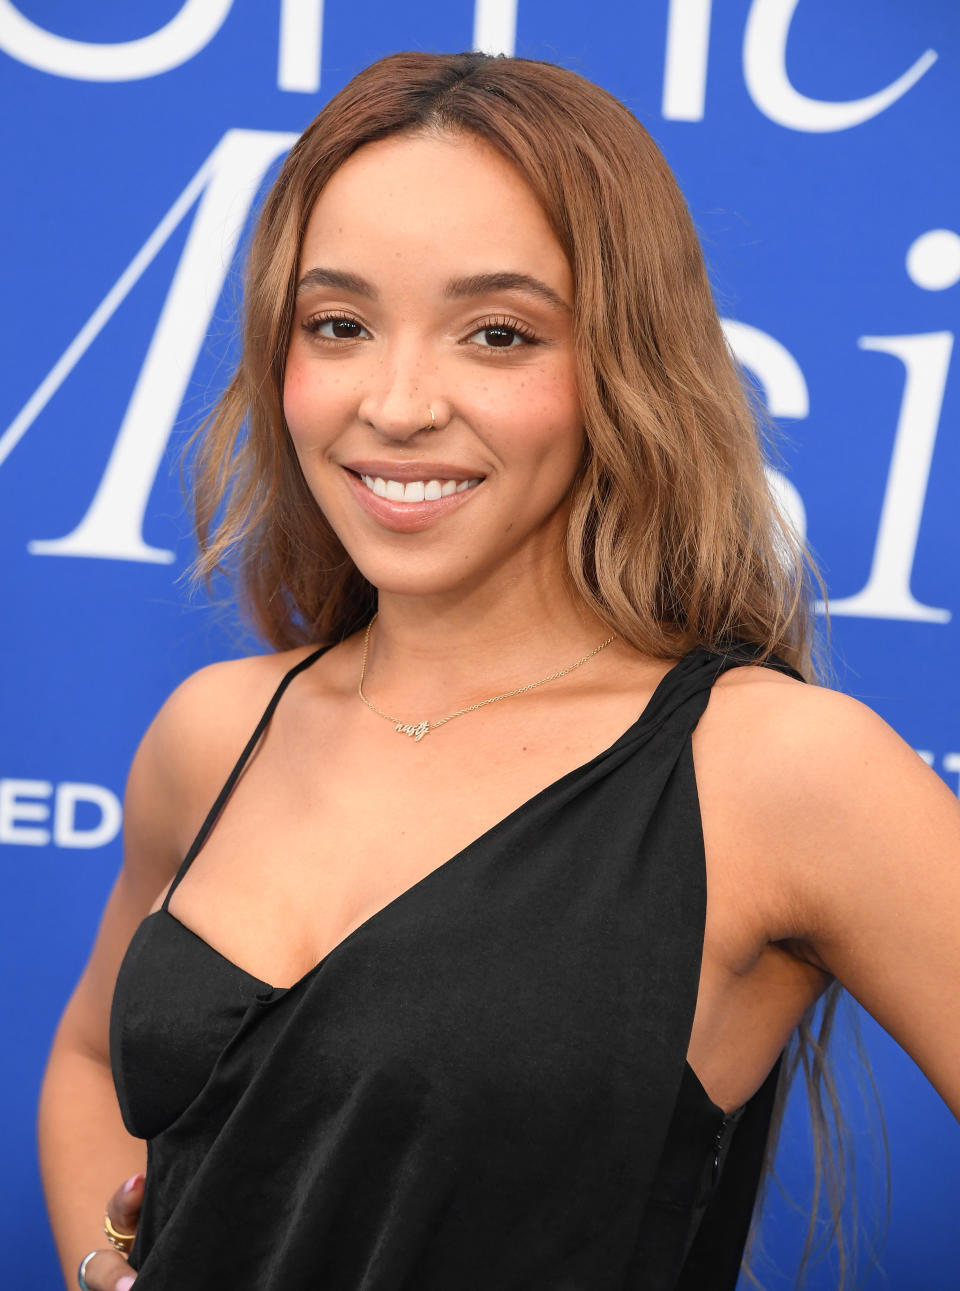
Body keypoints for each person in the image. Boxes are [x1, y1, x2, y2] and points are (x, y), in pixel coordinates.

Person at [38, 49, 959, 1291]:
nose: (400, 402)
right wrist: (109, 1268)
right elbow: (93, 1059)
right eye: (341, 324)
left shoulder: (775, 769)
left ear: (620, 367)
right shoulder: (212, 730)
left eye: (498, 333)